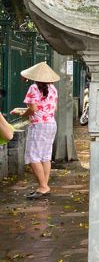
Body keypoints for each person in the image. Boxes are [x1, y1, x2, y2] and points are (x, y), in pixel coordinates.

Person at [11, 62, 60, 200]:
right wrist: (23, 111)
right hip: (51, 124)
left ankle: (43, 187)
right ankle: (44, 187)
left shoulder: (33, 87)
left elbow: (33, 109)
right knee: (45, 156)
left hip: (38, 125)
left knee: (33, 157)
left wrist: (22, 114)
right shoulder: (53, 88)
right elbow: (49, 108)